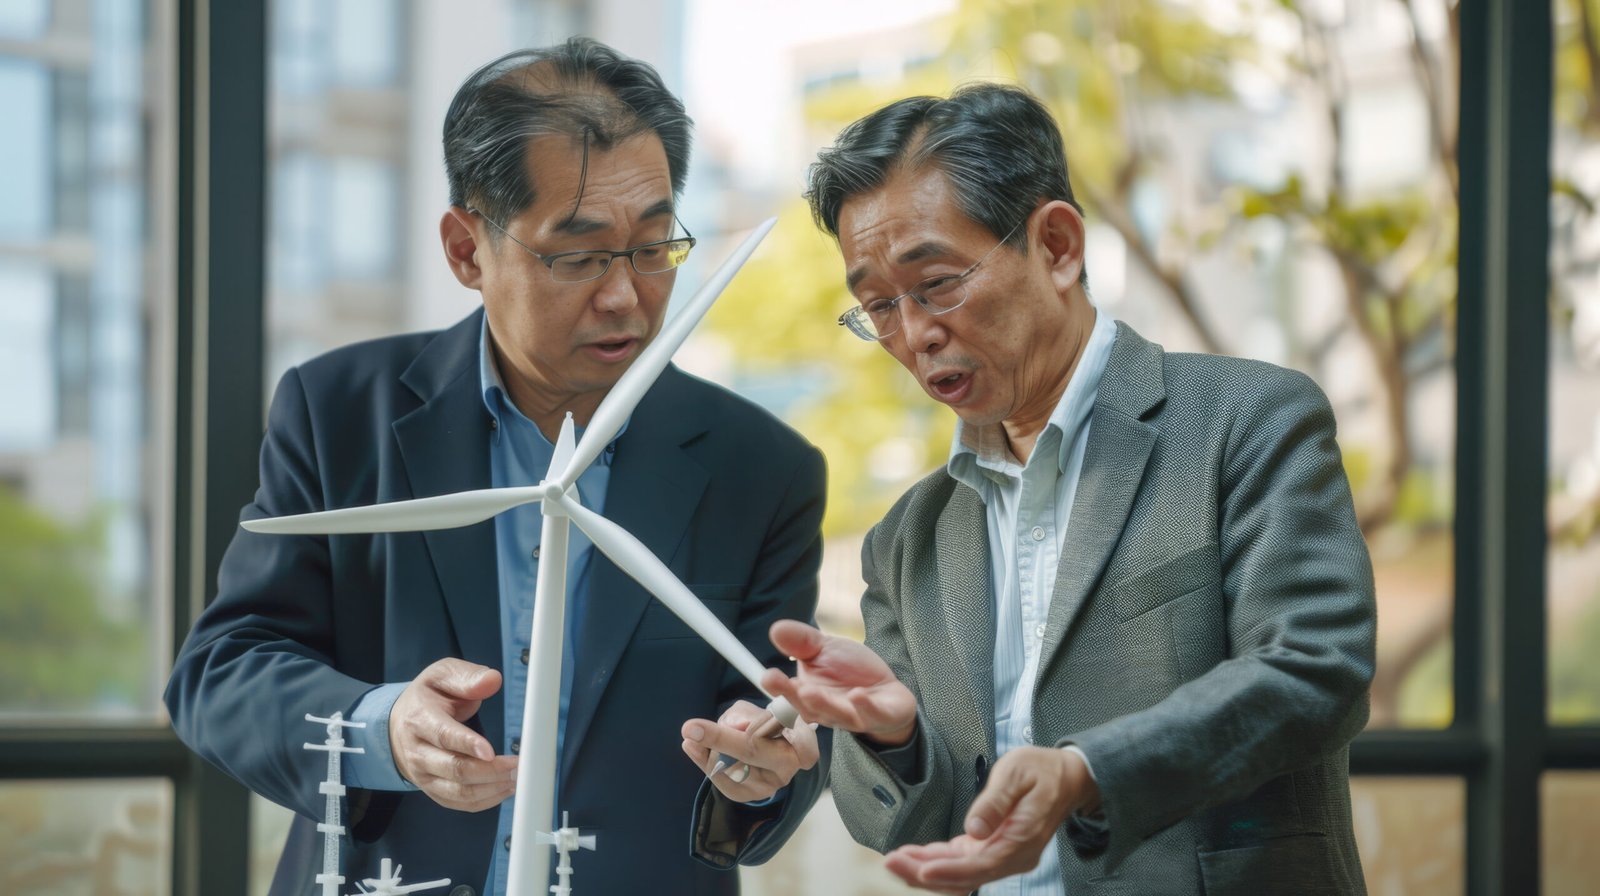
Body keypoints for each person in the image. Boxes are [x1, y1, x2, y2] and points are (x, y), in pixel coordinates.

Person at [166, 38, 827, 896]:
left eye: (655, 246)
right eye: (580, 254)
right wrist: (382, 726)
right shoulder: (339, 415)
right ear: (466, 249)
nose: (626, 294)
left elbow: (781, 720)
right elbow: (222, 671)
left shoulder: (761, 468)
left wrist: (766, 762)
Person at [761, 83, 1376, 895]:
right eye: (878, 306)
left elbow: (1313, 672)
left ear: (1056, 246)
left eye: (937, 282)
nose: (913, 334)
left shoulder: (1246, 419)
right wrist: (899, 738)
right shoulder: (908, 537)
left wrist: (1088, 772)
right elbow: (914, 822)